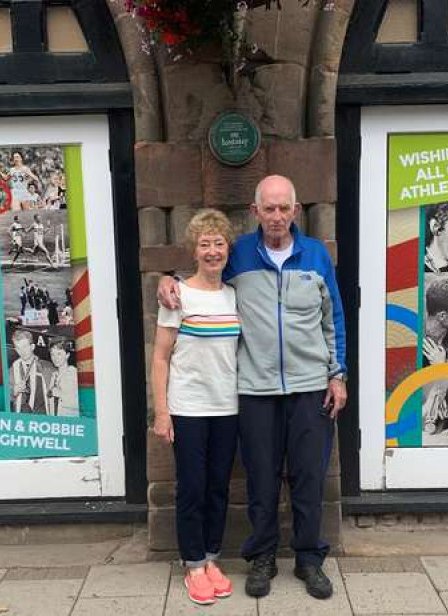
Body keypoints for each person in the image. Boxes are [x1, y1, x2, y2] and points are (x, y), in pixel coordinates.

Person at [157, 175, 347, 600]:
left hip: (310, 386)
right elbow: (199, 274)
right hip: (256, 389)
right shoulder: (238, 253)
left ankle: (309, 559)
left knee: (309, 478)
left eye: (284, 208)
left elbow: (333, 319)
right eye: (269, 208)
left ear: (295, 212)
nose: (277, 216)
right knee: (260, 479)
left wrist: (338, 375)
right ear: (256, 211)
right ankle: (261, 557)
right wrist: (166, 279)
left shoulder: (316, 256)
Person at [151, 209, 240, 606]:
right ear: (193, 250)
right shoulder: (177, 295)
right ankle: (192, 564)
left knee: (219, 487)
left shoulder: (233, 295)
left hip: (228, 407)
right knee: (191, 488)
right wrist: (162, 411)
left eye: (218, 243)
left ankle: (211, 558)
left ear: (228, 249)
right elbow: (160, 357)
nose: (212, 251)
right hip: (188, 408)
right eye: (204, 244)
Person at [9, 329, 54, 414]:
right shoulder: (11, 370)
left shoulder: (47, 367)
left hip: (42, 417)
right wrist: (13, 391)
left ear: (32, 347)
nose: (22, 351)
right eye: (18, 348)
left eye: (24, 347)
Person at [48, 340, 80, 417]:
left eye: (59, 354)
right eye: (52, 354)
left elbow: (81, 403)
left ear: (67, 355)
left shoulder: (73, 373)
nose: (55, 358)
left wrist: (60, 394)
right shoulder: (54, 375)